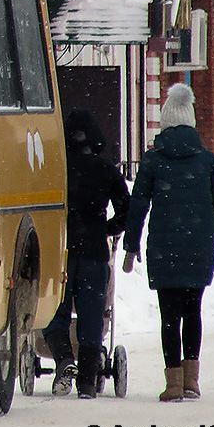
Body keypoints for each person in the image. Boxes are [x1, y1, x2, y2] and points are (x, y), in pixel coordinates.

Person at [122, 83, 214, 402]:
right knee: (193, 311)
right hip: (199, 248)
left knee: (168, 316)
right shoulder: (206, 162)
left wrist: (131, 246)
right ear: (191, 121)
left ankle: (173, 382)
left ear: (164, 122)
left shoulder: (153, 161)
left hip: (164, 248)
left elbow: (138, 206)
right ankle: (191, 381)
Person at [43, 109, 128, 398]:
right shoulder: (106, 170)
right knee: (92, 314)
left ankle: (64, 360)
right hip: (93, 252)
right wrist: (107, 227)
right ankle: (88, 381)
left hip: (61, 251)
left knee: (57, 310)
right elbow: (126, 211)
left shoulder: (56, 169)